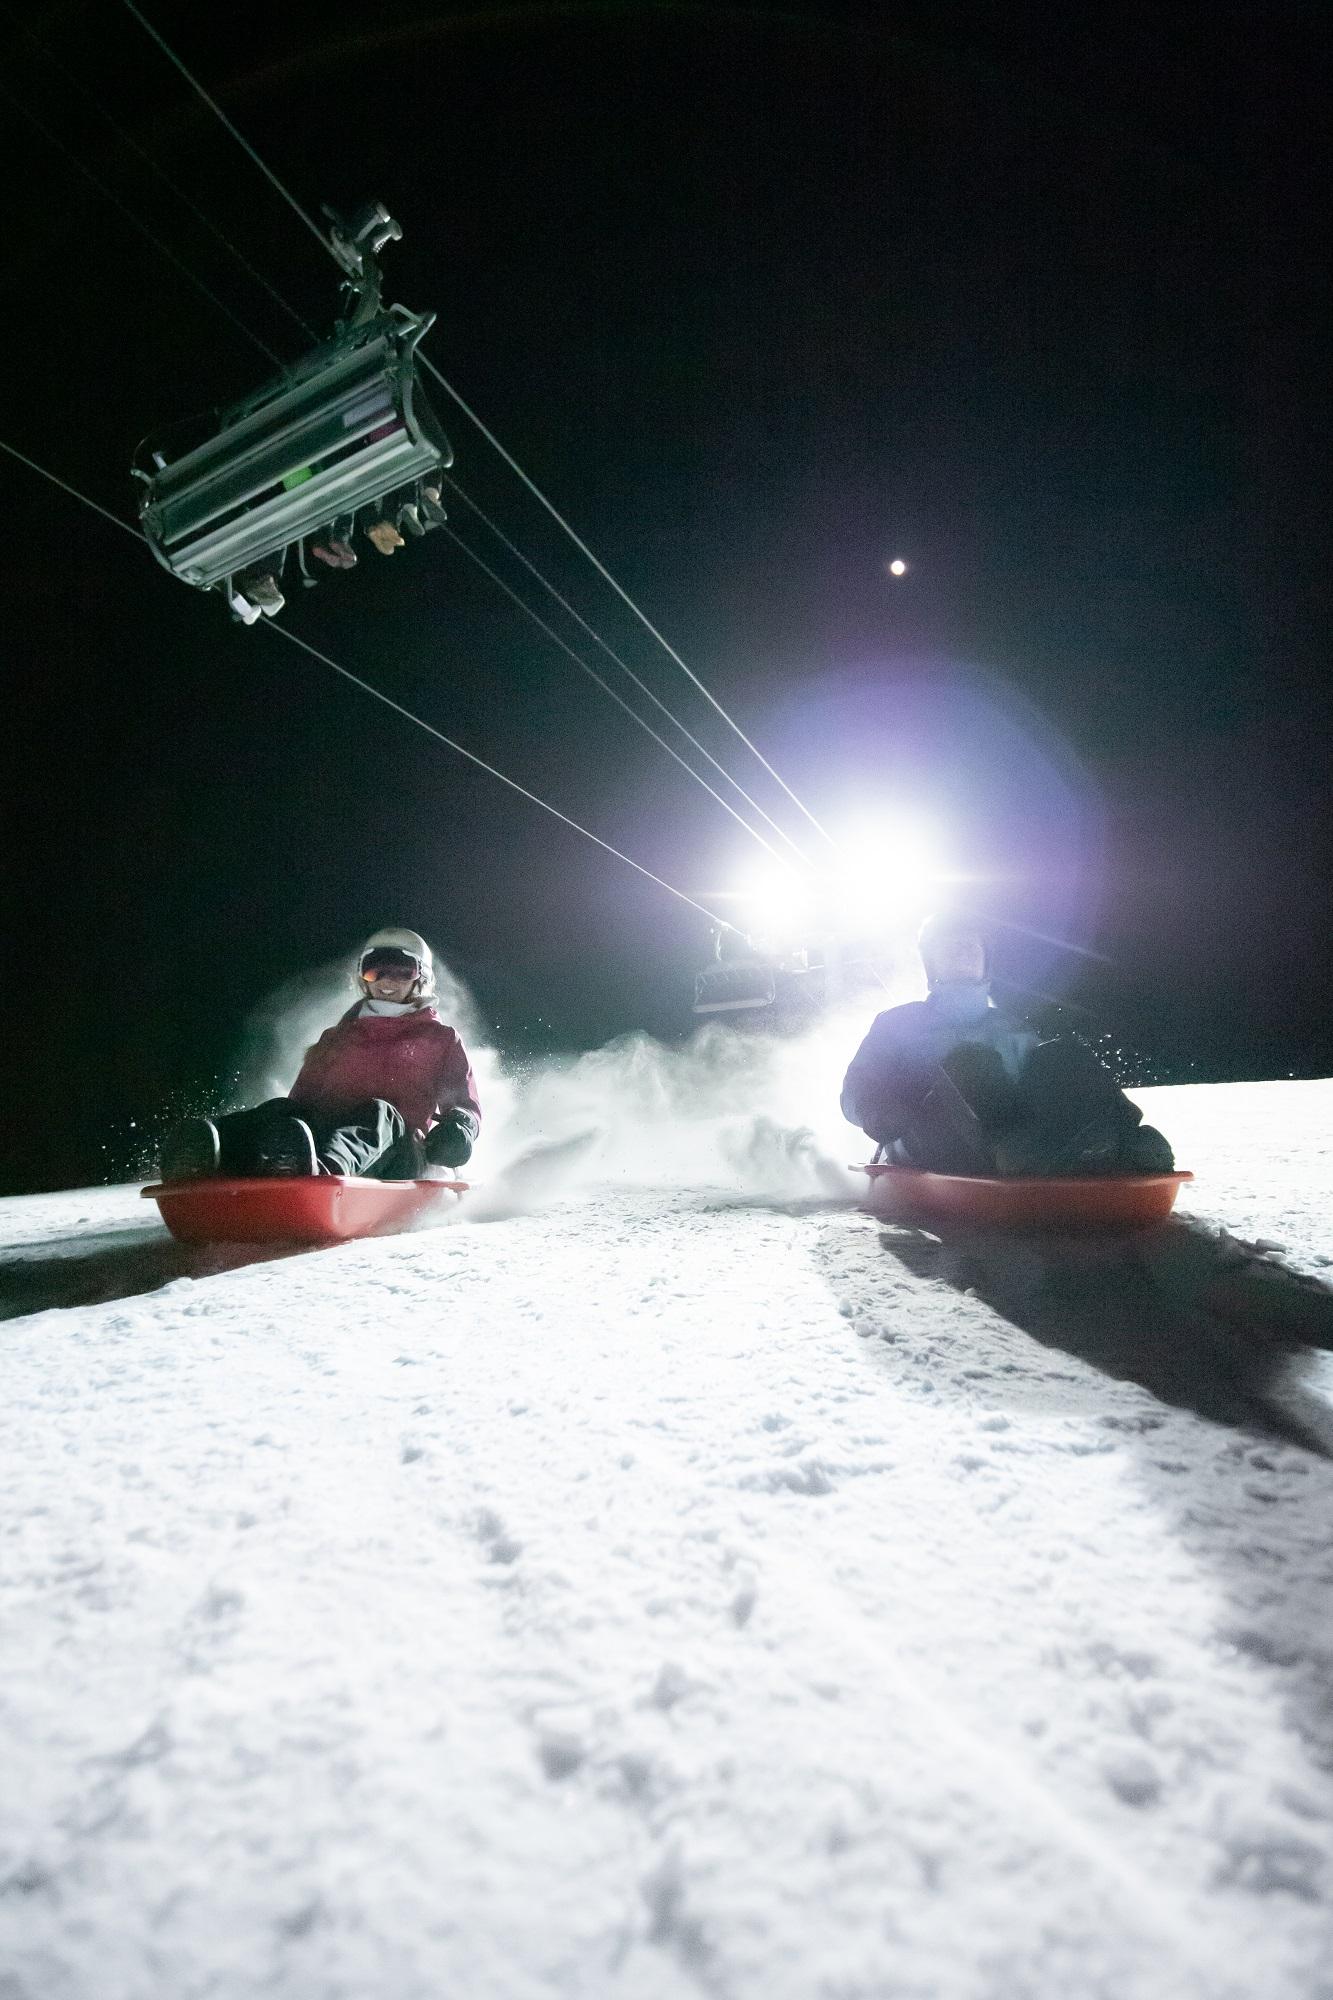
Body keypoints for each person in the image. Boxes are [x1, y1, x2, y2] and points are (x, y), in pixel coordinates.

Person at [841, 914, 1173, 1176]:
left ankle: (1125, 1140)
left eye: (972, 947)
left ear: (986, 961)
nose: (964, 952)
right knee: (970, 1061)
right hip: (927, 1137)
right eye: (951, 947)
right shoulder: (899, 1023)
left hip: (1019, 1146)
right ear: (931, 964)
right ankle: (1014, 1150)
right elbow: (857, 1089)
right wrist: (876, 1112)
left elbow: (1045, 1084)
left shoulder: (1010, 1028)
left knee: (1062, 1053)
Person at [160, 928, 481, 1182]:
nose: (386, 982)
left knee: (379, 1113)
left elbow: (466, 1105)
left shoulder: (441, 1039)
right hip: (322, 1139)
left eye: (401, 972)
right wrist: (284, 1127)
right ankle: (208, 1151)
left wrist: (459, 1130)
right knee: (282, 1108)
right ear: (362, 976)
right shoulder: (336, 1038)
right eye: (375, 971)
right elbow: (301, 1100)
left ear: (420, 977)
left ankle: (322, 1170)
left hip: (401, 1151)